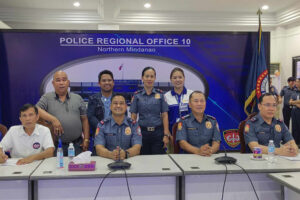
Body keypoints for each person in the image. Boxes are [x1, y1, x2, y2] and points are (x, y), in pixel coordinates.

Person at [36, 71, 90, 156]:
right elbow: (36, 110)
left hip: (77, 145)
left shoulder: (78, 98)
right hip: (56, 145)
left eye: (64, 80)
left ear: (68, 82)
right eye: (58, 80)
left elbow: (84, 119)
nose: (61, 83)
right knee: (56, 168)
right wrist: (53, 120)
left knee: (77, 169)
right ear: (53, 83)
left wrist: (86, 139)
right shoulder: (47, 97)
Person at [130, 66, 170, 155]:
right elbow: (133, 116)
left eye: (152, 76)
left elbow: (164, 115)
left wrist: (166, 134)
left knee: (158, 160)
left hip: (158, 133)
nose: (149, 79)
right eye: (147, 76)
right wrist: (133, 134)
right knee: (143, 161)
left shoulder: (160, 94)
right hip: (142, 133)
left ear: (155, 78)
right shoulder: (137, 96)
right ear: (142, 78)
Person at [95, 94, 142, 160]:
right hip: (108, 160)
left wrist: (126, 154)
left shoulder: (133, 124)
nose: (118, 106)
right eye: (115, 103)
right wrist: (110, 154)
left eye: (121, 103)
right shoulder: (102, 125)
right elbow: (99, 148)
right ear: (110, 107)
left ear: (126, 107)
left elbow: (137, 147)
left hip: (129, 160)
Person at [176, 91, 221, 155]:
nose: (199, 104)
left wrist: (210, 151)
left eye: (202, 101)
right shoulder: (183, 121)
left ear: (205, 103)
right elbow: (182, 143)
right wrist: (198, 151)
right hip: (190, 158)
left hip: (208, 156)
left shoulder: (212, 121)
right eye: (196, 101)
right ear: (190, 104)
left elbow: (217, 142)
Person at [164, 67, 193, 133]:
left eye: (180, 77)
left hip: (190, 133)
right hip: (172, 134)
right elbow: (164, 117)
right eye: (174, 78)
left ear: (184, 78)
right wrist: (168, 134)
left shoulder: (191, 94)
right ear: (171, 80)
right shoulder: (166, 96)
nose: (177, 80)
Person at [87, 70, 115, 135]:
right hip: (99, 134)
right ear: (99, 83)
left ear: (113, 82)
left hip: (116, 134)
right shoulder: (93, 99)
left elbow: (123, 116)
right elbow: (91, 117)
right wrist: (102, 127)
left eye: (109, 80)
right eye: (104, 81)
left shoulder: (119, 98)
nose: (107, 82)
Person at [290, 78, 300, 145]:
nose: (296, 83)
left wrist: (293, 102)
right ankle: (295, 142)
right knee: (294, 127)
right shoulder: (294, 91)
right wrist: (297, 103)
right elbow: (290, 102)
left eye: (297, 82)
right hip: (294, 111)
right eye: (296, 82)